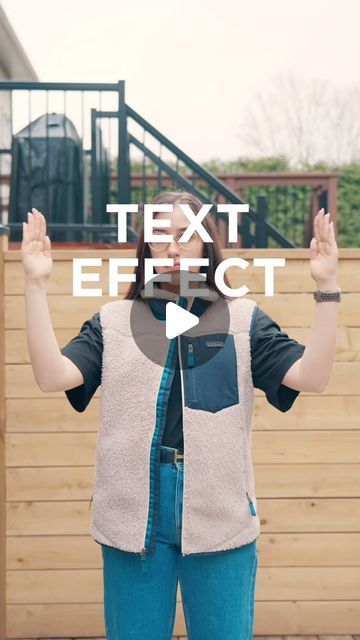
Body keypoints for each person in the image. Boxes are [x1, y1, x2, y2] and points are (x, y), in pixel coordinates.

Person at [21, 191, 340, 640]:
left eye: (186, 236)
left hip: (219, 514)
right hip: (133, 517)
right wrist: (35, 284)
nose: (173, 248)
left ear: (206, 246)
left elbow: (314, 376)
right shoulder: (112, 323)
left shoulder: (243, 321)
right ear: (146, 249)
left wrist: (326, 288)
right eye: (160, 236)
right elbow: (53, 376)